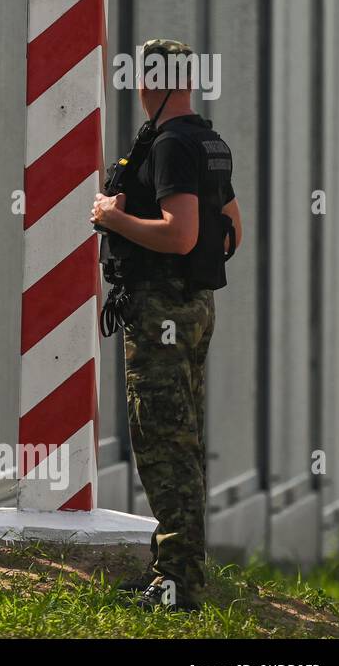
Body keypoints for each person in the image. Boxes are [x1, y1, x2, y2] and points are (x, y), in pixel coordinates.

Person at [90, 38, 243, 612]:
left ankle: (177, 585)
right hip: (194, 307)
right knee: (182, 438)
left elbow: (179, 234)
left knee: (162, 442)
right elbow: (231, 231)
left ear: (150, 81)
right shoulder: (207, 141)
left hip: (162, 313)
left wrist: (114, 217)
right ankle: (177, 570)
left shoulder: (172, 145)